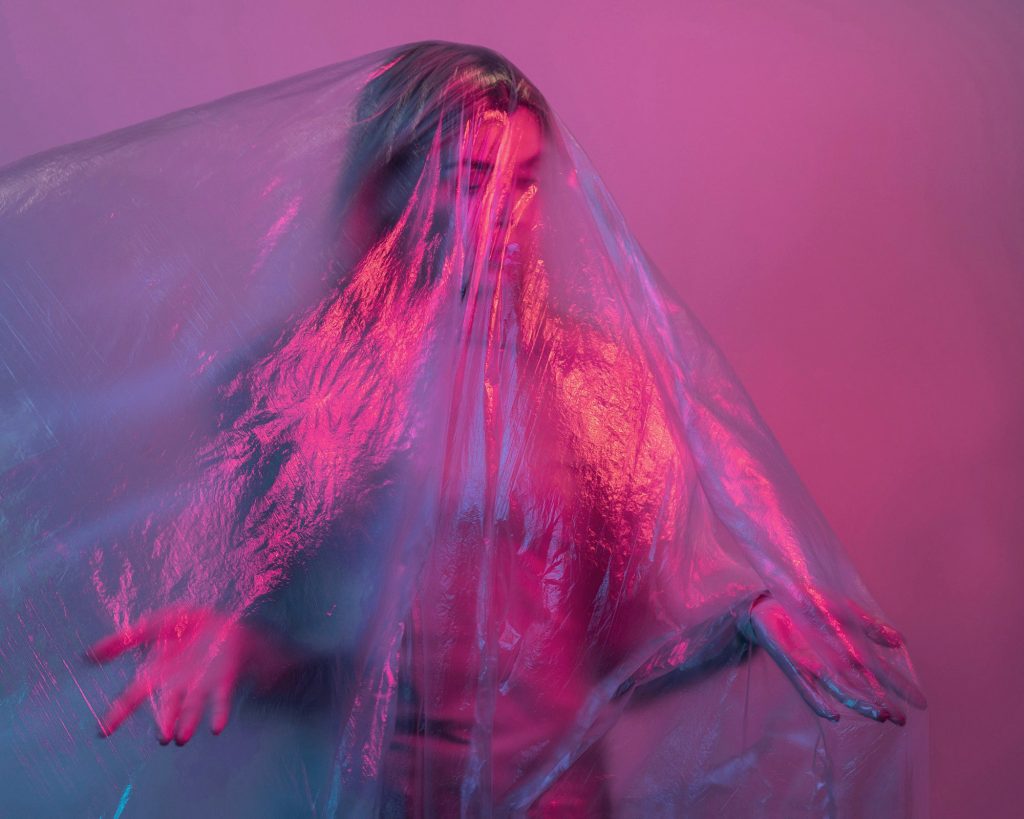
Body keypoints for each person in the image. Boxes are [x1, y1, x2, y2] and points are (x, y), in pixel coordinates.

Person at [1, 41, 926, 817]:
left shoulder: (595, 385)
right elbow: (320, 669)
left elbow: (624, 648)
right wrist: (240, 650)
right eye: (471, 179)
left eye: (524, 182)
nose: (503, 218)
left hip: (559, 806)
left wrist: (746, 623)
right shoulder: (299, 389)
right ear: (393, 185)